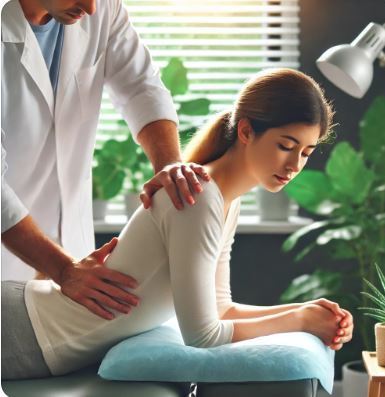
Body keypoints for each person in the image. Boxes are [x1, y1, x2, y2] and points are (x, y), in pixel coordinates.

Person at [2, 68, 354, 380]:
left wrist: (309, 310)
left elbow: (221, 309)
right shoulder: (199, 198)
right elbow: (202, 335)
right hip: (25, 330)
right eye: (286, 145)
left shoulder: (224, 201)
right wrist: (301, 321)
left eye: (306, 152)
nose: (294, 165)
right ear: (246, 131)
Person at [1, 0, 210, 320]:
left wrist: (169, 165)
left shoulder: (103, 10)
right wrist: (63, 269)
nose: (92, 7)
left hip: (74, 252)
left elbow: (142, 88)